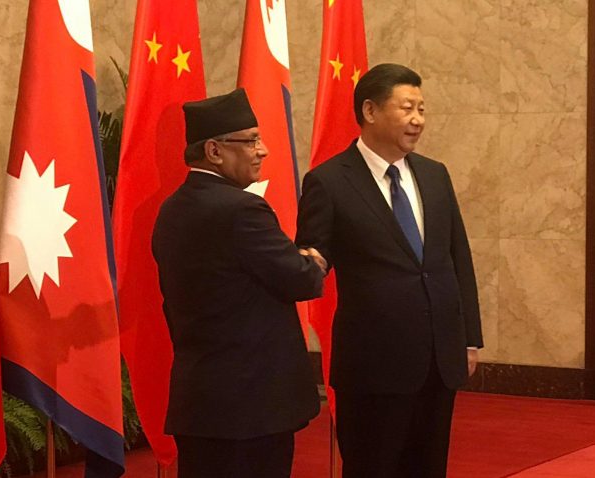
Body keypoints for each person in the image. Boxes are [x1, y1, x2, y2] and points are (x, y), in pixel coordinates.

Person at [296, 63, 484, 478]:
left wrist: (469, 338)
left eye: (422, 109)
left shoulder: (434, 175)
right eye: (407, 108)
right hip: (373, 366)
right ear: (370, 111)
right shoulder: (329, 181)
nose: (418, 120)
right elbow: (311, 257)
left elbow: (457, 258)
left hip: (438, 358)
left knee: (428, 467)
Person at [152, 88, 326, 478]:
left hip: (201, 400)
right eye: (250, 141)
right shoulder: (242, 209)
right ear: (214, 151)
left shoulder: (171, 209)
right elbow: (302, 279)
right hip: (252, 407)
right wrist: (312, 258)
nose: (263, 150)